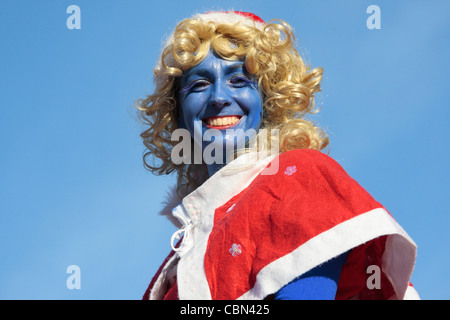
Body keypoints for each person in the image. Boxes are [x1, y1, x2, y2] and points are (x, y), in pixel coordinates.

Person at [136, 11, 420, 300]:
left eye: (238, 80)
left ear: (268, 101)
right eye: (199, 84)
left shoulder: (301, 177)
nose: (218, 97)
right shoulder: (177, 262)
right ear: (178, 114)